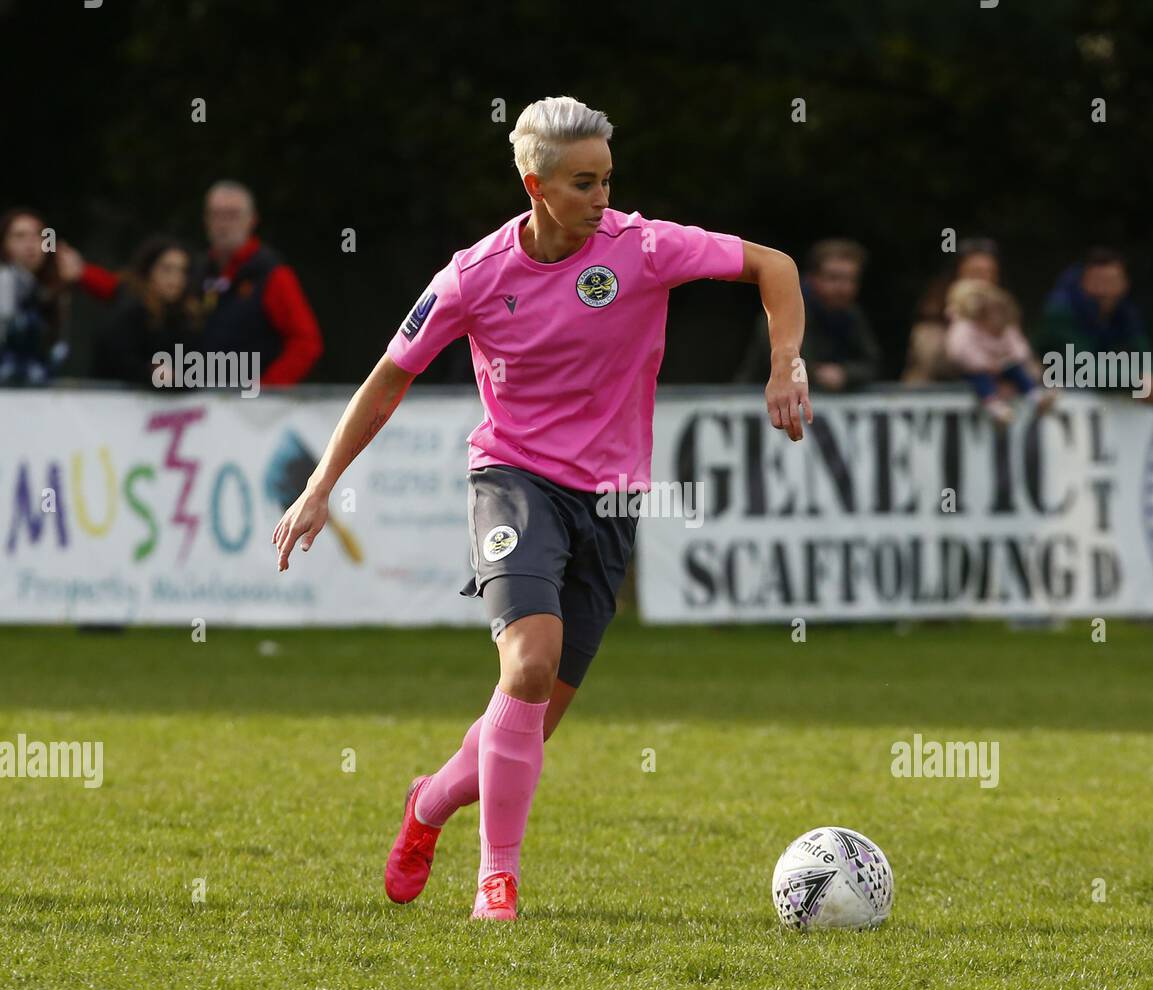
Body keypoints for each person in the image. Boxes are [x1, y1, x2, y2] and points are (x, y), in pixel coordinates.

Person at [271, 96, 811, 921]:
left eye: (608, 179)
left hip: (613, 500)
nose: (604, 198)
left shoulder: (646, 246)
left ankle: (429, 802)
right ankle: (499, 881)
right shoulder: (474, 276)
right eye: (585, 182)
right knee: (525, 663)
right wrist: (319, 485)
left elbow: (774, 265)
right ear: (536, 184)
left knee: (526, 719)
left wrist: (786, 363)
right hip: (513, 478)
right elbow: (390, 376)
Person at [194, 180, 323, 385]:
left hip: (253, 407)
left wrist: (266, 390)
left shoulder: (272, 273)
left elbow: (306, 343)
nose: (223, 224)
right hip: (200, 401)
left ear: (252, 220)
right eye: (216, 215)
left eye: (232, 215)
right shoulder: (196, 270)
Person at [736, 238, 881, 391]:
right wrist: (819, 373)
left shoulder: (852, 315)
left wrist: (845, 374)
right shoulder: (784, 309)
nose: (842, 288)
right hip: (761, 401)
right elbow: (786, 361)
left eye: (850, 280)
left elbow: (872, 363)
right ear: (813, 279)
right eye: (833, 278)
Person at [64, 236, 201, 386]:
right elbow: (119, 362)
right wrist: (151, 373)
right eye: (167, 269)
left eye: (182, 271)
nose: (175, 278)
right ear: (149, 271)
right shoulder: (129, 313)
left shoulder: (188, 319)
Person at [1035, 247, 1153, 401]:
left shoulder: (1127, 315)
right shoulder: (1061, 314)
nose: (1104, 290)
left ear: (1125, 284)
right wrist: (1136, 380)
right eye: (1097, 282)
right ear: (1083, 282)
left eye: (1111, 282)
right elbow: (1082, 367)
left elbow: (1144, 352)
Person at [945, 279, 1054, 426]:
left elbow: (1021, 349)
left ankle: (1036, 396)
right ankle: (995, 407)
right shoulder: (965, 328)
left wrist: (1007, 360)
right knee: (980, 379)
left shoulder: (1007, 327)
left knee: (1018, 371)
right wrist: (986, 364)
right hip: (974, 370)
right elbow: (959, 352)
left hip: (1001, 367)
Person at [902, 237, 1000, 385]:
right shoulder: (932, 321)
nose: (982, 282)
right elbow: (932, 362)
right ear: (957, 275)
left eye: (988, 273)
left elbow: (1025, 363)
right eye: (975, 273)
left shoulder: (1003, 317)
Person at [0, 207, 69, 387]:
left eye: (38, 235)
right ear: (4, 244)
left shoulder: (45, 289)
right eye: (20, 236)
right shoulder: (5, 280)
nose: (30, 243)